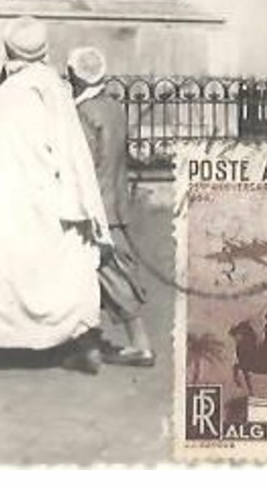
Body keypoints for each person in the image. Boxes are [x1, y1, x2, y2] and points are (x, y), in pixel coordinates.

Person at [0, 16, 111, 374]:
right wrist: (86, 205)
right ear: (44, 50)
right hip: (45, 196)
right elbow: (72, 151)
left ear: (7, 49)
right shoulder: (53, 90)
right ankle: (76, 341)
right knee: (66, 263)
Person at [67, 45, 155, 368]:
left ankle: (139, 344)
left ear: (73, 75)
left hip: (96, 206)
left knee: (110, 273)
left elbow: (86, 162)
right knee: (111, 270)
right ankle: (87, 341)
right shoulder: (115, 108)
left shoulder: (83, 113)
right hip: (117, 201)